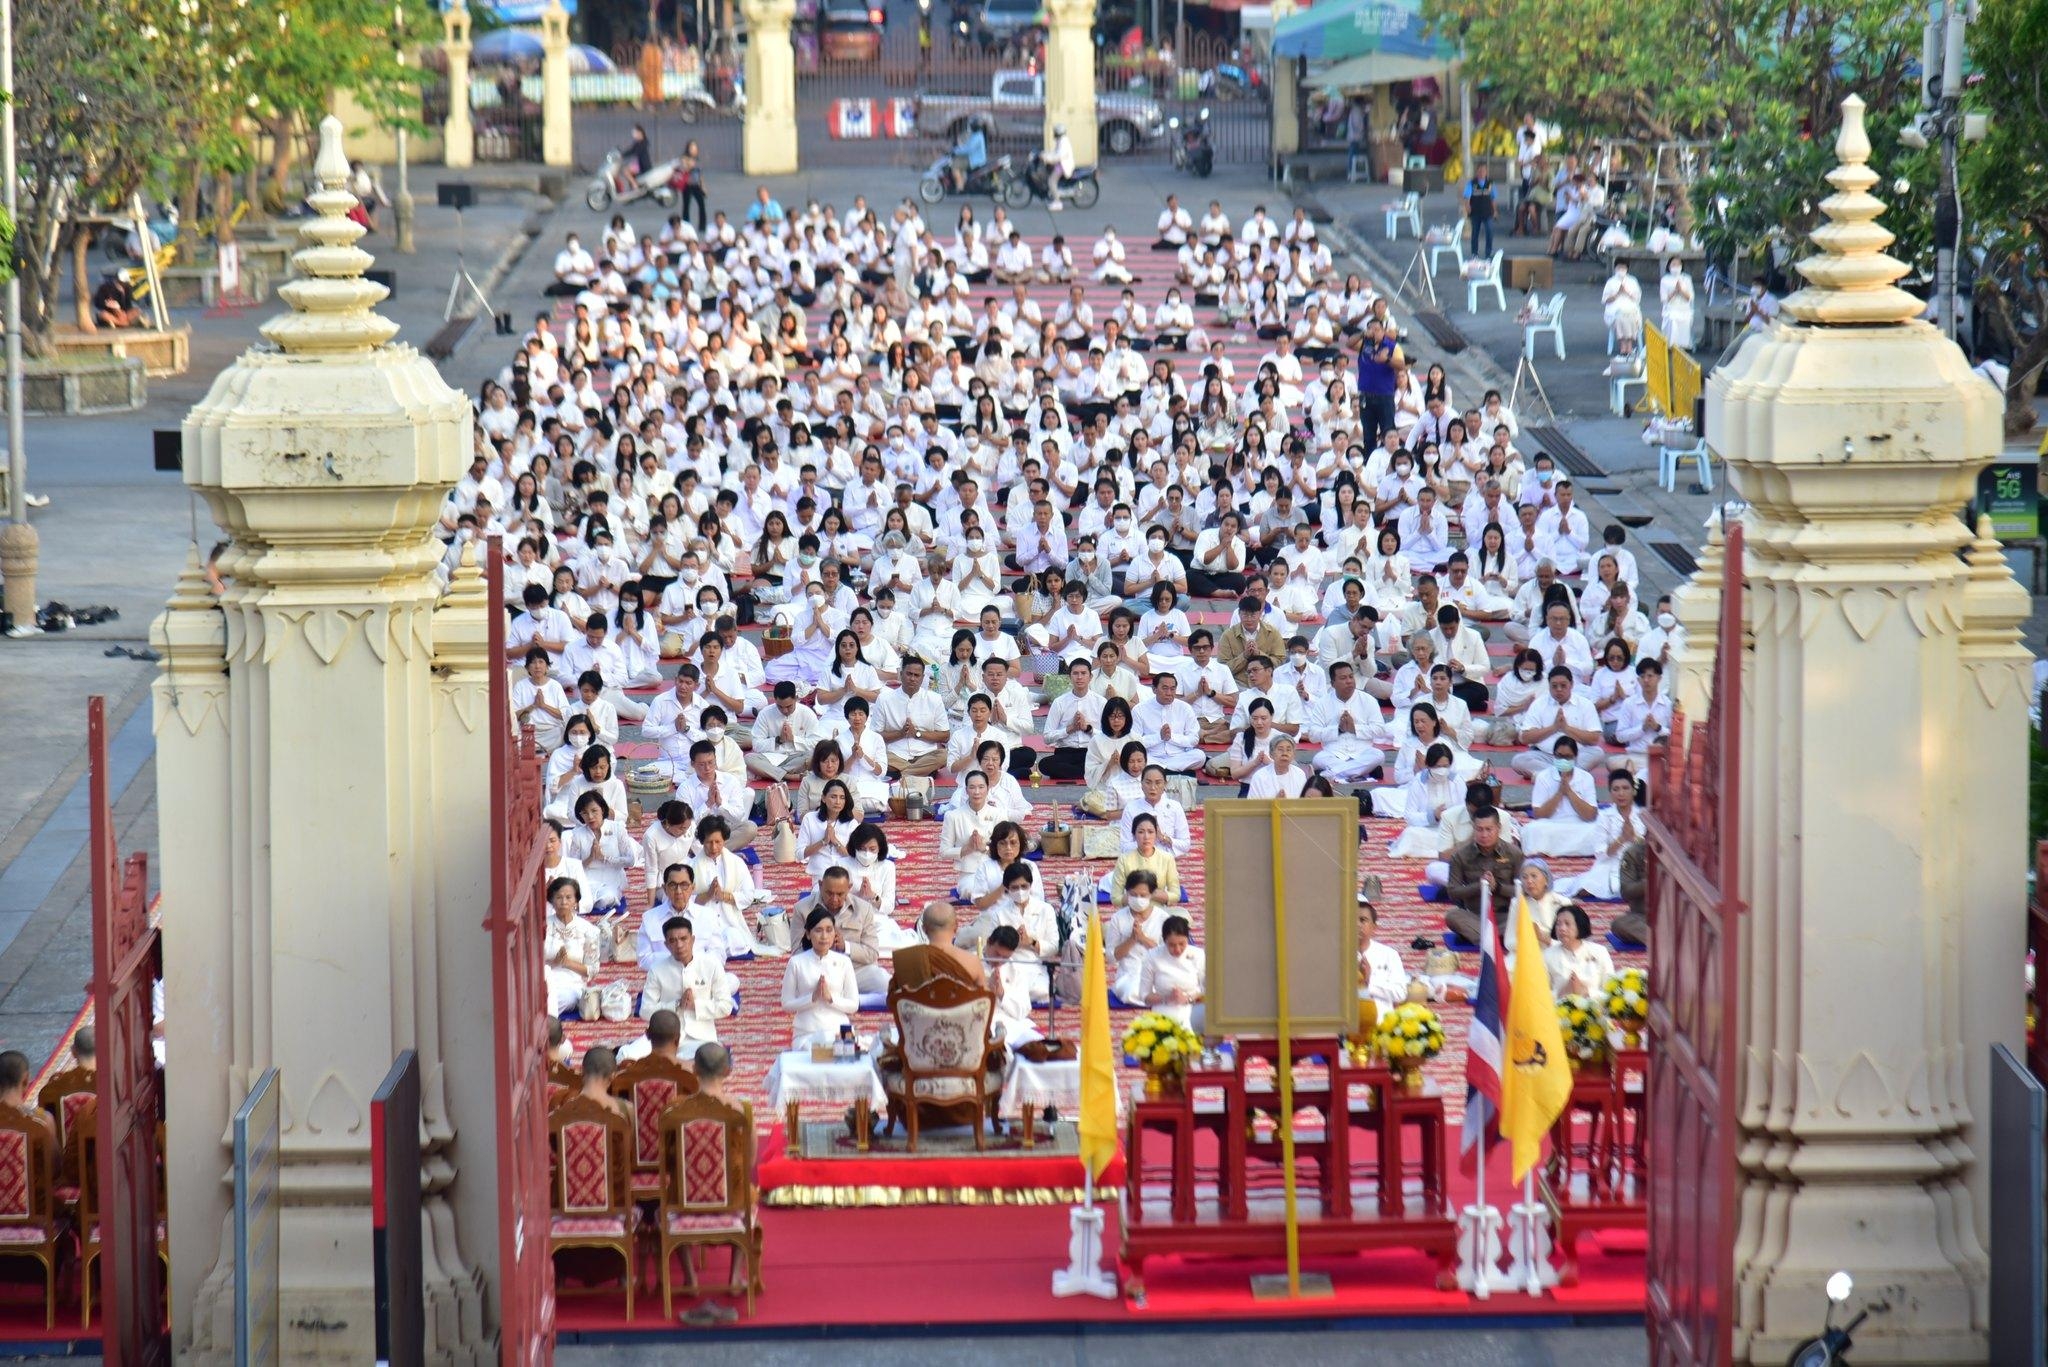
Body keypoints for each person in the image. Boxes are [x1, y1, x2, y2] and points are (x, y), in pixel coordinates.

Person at [639, 915, 737, 1052]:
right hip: (665, 1038)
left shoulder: (711, 965)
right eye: (673, 941)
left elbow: (726, 1006)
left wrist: (695, 1005)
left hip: (702, 1037)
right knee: (626, 1054)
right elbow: (645, 1011)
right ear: (666, 945)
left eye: (683, 939)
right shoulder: (657, 969)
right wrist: (676, 1005)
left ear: (693, 940)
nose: (679, 945)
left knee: (707, 1057)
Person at [1443, 806, 1524, 944]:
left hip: (1505, 915)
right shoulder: (1461, 856)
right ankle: (1499, 938)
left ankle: (1484, 938)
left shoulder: (1514, 854)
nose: (1484, 835)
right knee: (1452, 916)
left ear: (1498, 828)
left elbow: (1523, 891)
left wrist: (1497, 887)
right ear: (1473, 829)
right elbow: (1452, 892)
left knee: (1526, 919)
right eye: (1479, 829)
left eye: (1489, 829)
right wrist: (1478, 886)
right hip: (1475, 916)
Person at [780, 908, 859, 1046]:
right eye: (818, 930)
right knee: (814, 1053)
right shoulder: (796, 962)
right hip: (806, 1032)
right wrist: (812, 998)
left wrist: (830, 998)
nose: (824, 936)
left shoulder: (844, 962)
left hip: (838, 1031)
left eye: (829, 930)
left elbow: (853, 1005)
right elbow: (787, 1004)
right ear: (808, 934)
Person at [890, 902, 988, 992]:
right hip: (960, 1006)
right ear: (956, 927)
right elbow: (985, 1000)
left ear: (924, 929)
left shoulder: (906, 959)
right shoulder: (972, 962)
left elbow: (893, 999)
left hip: (919, 1006)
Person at [1137, 915, 1205, 1030]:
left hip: (1193, 1007)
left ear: (1187, 938)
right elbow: (1144, 996)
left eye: (1182, 944)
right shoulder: (1152, 956)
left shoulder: (1198, 955)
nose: (1177, 949)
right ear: (1164, 941)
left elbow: (1207, 989)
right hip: (1163, 1007)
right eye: (1172, 945)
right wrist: (1167, 998)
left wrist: (1187, 998)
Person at [1543, 904, 1615, 998]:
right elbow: (1540, 994)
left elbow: (1611, 990)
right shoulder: (1547, 955)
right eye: (1558, 924)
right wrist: (1562, 993)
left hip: (1596, 1005)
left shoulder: (1600, 951)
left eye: (1567, 924)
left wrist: (1587, 993)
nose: (1562, 928)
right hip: (1559, 1005)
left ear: (1579, 925)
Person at [1356, 899, 1411, 1011]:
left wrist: (1370, 980)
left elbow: (1400, 993)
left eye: (1363, 920)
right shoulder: (1337, 955)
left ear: (1374, 927)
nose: (1357, 924)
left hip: (1382, 1019)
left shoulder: (1389, 954)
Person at [1659, 257, 1696, 350]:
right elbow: (1664, 299)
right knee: (1673, 319)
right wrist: (1675, 291)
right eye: (1674, 264)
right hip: (1671, 308)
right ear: (1669, 266)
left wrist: (1681, 290)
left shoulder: (1686, 279)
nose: (1676, 267)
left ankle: (1684, 346)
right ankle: (1672, 345)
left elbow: (1690, 297)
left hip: (1684, 309)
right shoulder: (1665, 280)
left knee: (1685, 321)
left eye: (1678, 264)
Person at [1463, 163, 1497, 261]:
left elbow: (1493, 198)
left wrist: (1495, 211)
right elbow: (1467, 197)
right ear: (1477, 172)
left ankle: (1488, 253)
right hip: (1475, 212)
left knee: (1489, 232)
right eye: (1480, 171)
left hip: (1488, 212)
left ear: (1486, 172)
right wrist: (1468, 208)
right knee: (1475, 233)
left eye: (1484, 171)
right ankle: (1474, 253)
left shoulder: (1490, 183)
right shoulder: (1471, 183)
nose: (1482, 173)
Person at [950, 116, 990, 193]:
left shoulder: (976, 137)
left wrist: (955, 151)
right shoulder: (977, 135)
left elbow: (968, 149)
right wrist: (958, 148)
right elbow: (966, 145)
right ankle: (963, 182)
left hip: (974, 160)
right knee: (960, 164)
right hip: (973, 158)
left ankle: (960, 187)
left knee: (954, 166)